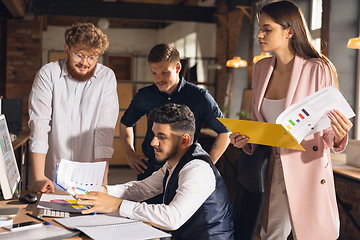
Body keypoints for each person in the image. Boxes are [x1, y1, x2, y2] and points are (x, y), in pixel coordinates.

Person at [230, 1, 353, 240]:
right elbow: (259, 120)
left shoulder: (319, 69)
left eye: (267, 29)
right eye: (259, 28)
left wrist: (338, 135)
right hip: (271, 167)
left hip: (307, 167)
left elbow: (327, 129)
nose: (259, 34)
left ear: (289, 31)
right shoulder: (261, 68)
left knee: (312, 236)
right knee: (271, 236)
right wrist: (247, 138)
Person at [77, 103, 234, 240]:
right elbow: (142, 188)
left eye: (162, 137)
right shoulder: (174, 162)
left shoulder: (197, 170)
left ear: (184, 140)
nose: (153, 142)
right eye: (154, 134)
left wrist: (117, 205)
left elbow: (172, 218)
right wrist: (102, 190)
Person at [28, 22, 119, 193]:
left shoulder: (106, 77)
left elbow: (104, 131)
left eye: (91, 57)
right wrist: (38, 176)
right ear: (66, 50)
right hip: (52, 177)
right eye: (79, 55)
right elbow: (39, 126)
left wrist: (103, 180)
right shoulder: (48, 74)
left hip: (91, 176)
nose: (85, 63)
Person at [120, 43, 230, 181]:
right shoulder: (144, 95)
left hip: (184, 174)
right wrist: (130, 154)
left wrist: (206, 165)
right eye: (154, 73)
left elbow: (225, 131)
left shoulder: (200, 96)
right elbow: (126, 123)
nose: (158, 79)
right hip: (150, 172)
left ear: (178, 67)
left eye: (164, 73)